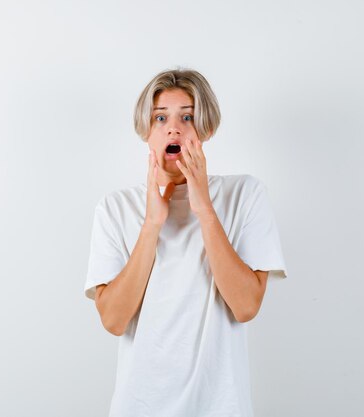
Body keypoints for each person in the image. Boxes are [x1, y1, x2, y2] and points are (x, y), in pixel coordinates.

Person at [84, 68, 288, 417]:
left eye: (187, 117)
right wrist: (152, 224)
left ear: (205, 129)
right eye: (160, 117)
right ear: (147, 132)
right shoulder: (115, 208)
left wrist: (204, 208)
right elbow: (114, 321)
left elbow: (246, 307)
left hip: (221, 407)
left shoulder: (245, 195)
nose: (173, 128)